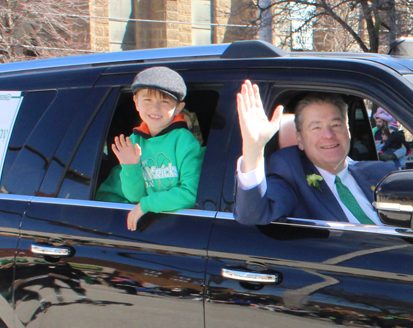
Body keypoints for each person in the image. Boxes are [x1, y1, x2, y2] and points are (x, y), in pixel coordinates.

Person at [234, 80, 395, 226]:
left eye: (336, 125)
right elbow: (253, 216)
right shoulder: (291, 174)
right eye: (316, 127)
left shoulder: (382, 172)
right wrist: (253, 150)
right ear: (300, 139)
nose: (329, 135)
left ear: (349, 131)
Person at [96, 66, 205, 231]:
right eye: (147, 100)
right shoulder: (133, 142)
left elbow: (190, 194)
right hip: (144, 227)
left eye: (164, 101)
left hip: (175, 226)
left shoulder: (184, 141)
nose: (155, 108)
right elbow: (134, 197)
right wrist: (130, 166)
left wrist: (145, 205)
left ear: (178, 107)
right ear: (136, 103)